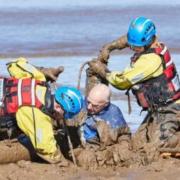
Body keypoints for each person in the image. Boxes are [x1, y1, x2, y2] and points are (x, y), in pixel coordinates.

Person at [88, 17, 180, 151]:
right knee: (137, 145)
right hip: (157, 109)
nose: (132, 48)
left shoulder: (150, 61)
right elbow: (128, 39)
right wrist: (111, 46)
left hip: (171, 109)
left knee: (155, 147)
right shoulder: (153, 42)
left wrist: (103, 71)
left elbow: (122, 81)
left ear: (147, 41)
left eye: (136, 46)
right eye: (132, 45)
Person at [0, 57, 83, 164]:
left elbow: (16, 64)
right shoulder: (38, 116)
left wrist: (42, 70)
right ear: (58, 108)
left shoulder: (39, 79)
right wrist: (62, 162)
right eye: (65, 115)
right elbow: (45, 148)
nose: (63, 118)